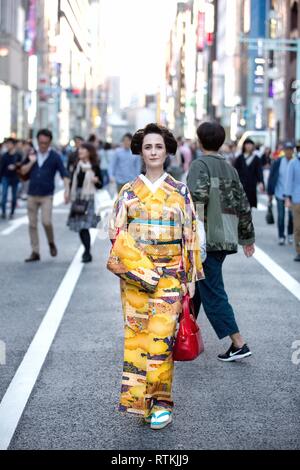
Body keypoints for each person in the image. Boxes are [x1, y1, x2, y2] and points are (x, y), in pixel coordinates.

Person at [108, 123, 204, 430]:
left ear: (167, 152)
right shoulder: (127, 192)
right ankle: (141, 401)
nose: (153, 152)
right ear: (140, 151)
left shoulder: (180, 191)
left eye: (158, 147)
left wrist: (189, 274)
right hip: (135, 278)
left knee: (162, 340)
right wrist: (134, 263)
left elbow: (190, 233)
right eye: (148, 147)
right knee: (137, 339)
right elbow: (116, 234)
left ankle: (162, 401)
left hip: (169, 278)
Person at [187, 122, 255, 362]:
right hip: (225, 235)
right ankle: (181, 334)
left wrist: (188, 232)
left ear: (199, 140)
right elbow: (243, 203)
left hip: (206, 238)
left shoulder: (199, 165)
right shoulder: (229, 168)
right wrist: (247, 238)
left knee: (212, 290)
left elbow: (196, 199)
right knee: (196, 285)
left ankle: (238, 342)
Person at [20, 129, 70, 262]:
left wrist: (66, 191)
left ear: (49, 142)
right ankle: (35, 252)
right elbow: (22, 171)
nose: (43, 145)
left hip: (47, 195)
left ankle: (51, 242)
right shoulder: (32, 153)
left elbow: (64, 174)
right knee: (32, 224)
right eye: (41, 142)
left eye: (45, 143)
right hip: (32, 194)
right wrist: (31, 161)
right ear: (37, 141)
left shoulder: (55, 156)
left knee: (46, 222)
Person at [67, 142, 103, 262]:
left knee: (84, 226)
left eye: (83, 149)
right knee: (81, 228)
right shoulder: (77, 165)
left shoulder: (94, 166)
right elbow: (72, 181)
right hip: (78, 198)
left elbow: (101, 184)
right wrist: (68, 194)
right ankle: (87, 251)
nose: (80, 151)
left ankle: (87, 252)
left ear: (89, 152)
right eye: (80, 149)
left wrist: (96, 181)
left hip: (90, 199)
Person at [267, 140, 294, 245]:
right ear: (284, 150)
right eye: (287, 150)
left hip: (292, 195)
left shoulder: (296, 162)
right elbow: (271, 177)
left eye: (290, 150)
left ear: (293, 151)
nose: (288, 152)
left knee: (292, 216)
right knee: (281, 216)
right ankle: (281, 236)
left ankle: (290, 234)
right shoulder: (278, 162)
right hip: (279, 192)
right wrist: (270, 193)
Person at [234, 138, 264, 208]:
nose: (248, 146)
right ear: (244, 146)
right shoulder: (240, 158)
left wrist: (261, 182)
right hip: (241, 184)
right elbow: (235, 171)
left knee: (250, 204)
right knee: (241, 204)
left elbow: (259, 171)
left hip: (252, 184)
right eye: (247, 144)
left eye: (250, 144)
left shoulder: (256, 158)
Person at [0, 138, 22, 219]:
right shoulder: (4, 155)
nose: (7, 145)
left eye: (9, 144)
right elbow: (1, 168)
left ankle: (12, 212)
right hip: (5, 177)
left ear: (13, 145)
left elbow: (21, 166)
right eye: (7, 144)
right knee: (4, 195)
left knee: (14, 197)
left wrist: (15, 166)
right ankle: (3, 212)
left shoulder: (18, 155)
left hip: (15, 178)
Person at [285, 151, 300, 261]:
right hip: (296, 199)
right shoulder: (293, 163)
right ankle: (299, 251)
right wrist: (287, 198)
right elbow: (289, 181)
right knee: (298, 227)